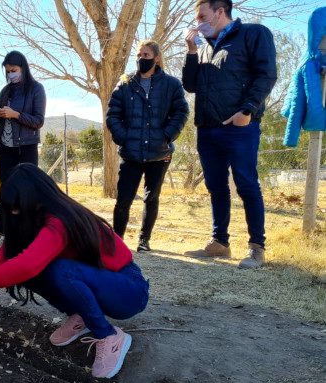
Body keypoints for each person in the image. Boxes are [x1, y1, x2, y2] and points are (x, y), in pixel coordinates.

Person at [0, 163, 149, 379]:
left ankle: (109, 336)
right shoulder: (31, 222)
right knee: (27, 270)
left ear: (35, 200)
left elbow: (27, 264)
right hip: (97, 283)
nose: (14, 215)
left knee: (58, 270)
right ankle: (82, 315)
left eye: (18, 208)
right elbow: (0, 262)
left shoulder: (61, 221)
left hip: (128, 291)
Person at [182, 0, 276, 268]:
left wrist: (247, 110)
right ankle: (219, 243)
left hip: (240, 127)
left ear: (220, 12)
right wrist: (191, 51)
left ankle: (257, 247)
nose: (198, 22)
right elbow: (190, 85)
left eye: (202, 16)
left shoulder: (254, 34)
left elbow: (267, 75)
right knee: (215, 187)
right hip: (208, 128)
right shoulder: (203, 48)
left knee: (246, 184)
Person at [107, 40, 189, 252]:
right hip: (131, 153)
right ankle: (117, 241)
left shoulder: (171, 84)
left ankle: (144, 240)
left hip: (159, 154)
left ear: (157, 58)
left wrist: (167, 135)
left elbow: (181, 112)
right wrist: (124, 137)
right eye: (139, 55)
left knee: (151, 197)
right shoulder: (125, 83)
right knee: (123, 199)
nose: (141, 59)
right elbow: (113, 114)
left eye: (146, 55)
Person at [0, 50, 46, 183]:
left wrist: (16, 115)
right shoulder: (5, 91)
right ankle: (5, 205)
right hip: (4, 145)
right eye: (8, 72)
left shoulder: (36, 89)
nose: (11, 74)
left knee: (27, 186)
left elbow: (38, 121)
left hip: (26, 146)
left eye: (13, 70)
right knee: (7, 186)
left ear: (23, 68)